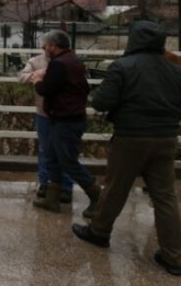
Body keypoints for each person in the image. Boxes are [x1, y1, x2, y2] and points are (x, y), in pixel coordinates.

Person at [72, 21, 181, 277]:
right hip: (166, 138)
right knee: (166, 197)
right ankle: (173, 256)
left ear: (134, 40)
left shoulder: (122, 67)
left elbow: (101, 101)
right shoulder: (176, 69)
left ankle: (99, 232)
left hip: (131, 137)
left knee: (116, 188)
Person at [31, 30, 101, 217]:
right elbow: (85, 87)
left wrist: (37, 80)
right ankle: (51, 200)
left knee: (68, 162)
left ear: (54, 45)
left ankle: (98, 197)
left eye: (46, 45)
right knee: (53, 157)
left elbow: (46, 90)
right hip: (68, 118)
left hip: (66, 121)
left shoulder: (59, 64)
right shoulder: (74, 60)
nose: (43, 48)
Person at [18, 38, 73, 203]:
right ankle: (44, 184)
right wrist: (40, 73)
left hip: (65, 113)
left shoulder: (69, 61)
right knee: (45, 149)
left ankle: (66, 187)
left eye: (48, 45)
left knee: (65, 150)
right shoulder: (36, 61)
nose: (45, 48)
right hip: (43, 112)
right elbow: (21, 77)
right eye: (44, 45)